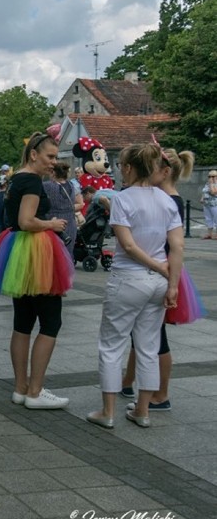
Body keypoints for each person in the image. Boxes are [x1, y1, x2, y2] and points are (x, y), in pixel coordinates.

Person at [86, 144, 183, 429]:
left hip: (128, 278)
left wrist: (155, 266)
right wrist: (172, 282)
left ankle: (108, 411)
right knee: (148, 346)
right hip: (159, 283)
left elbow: (127, 245)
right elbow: (177, 245)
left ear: (128, 168)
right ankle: (143, 410)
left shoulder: (122, 200)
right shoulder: (166, 201)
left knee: (112, 344)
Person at [0, 132, 73, 409]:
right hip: (35, 251)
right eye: (50, 157)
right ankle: (35, 391)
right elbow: (26, 220)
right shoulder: (32, 181)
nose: (53, 163)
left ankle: (20, 388)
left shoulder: (15, 178)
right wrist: (52, 224)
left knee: (22, 322)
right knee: (50, 322)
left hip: (17, 250)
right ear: (34, 154)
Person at [120, 148, 194, 411]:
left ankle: (161, 394)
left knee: (155, 335)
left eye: (152, 168)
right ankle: (128, 381)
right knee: (142, 331)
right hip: (159, 270)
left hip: (162, 270)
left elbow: (174, 245)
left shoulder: (169, 201)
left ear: (164, 172)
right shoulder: (163, 198)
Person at [42, 162, 81, 259]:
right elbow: (80, 202)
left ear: (53, 173)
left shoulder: (47, 186)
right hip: (70, 223)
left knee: (53, 255)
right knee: (67, 254)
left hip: (54, 222)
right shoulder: (72, 185)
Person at [200, 169, 217, 239]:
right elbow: (205, 191)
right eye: (209, 176)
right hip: (206, 204)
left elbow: (213, 192)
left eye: (213, 176)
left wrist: (211, 184)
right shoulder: (207, 183)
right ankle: (209, 233)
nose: (210, 178)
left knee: (216, 218)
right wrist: (202, 198)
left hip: (214, 204)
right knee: (208, 219)